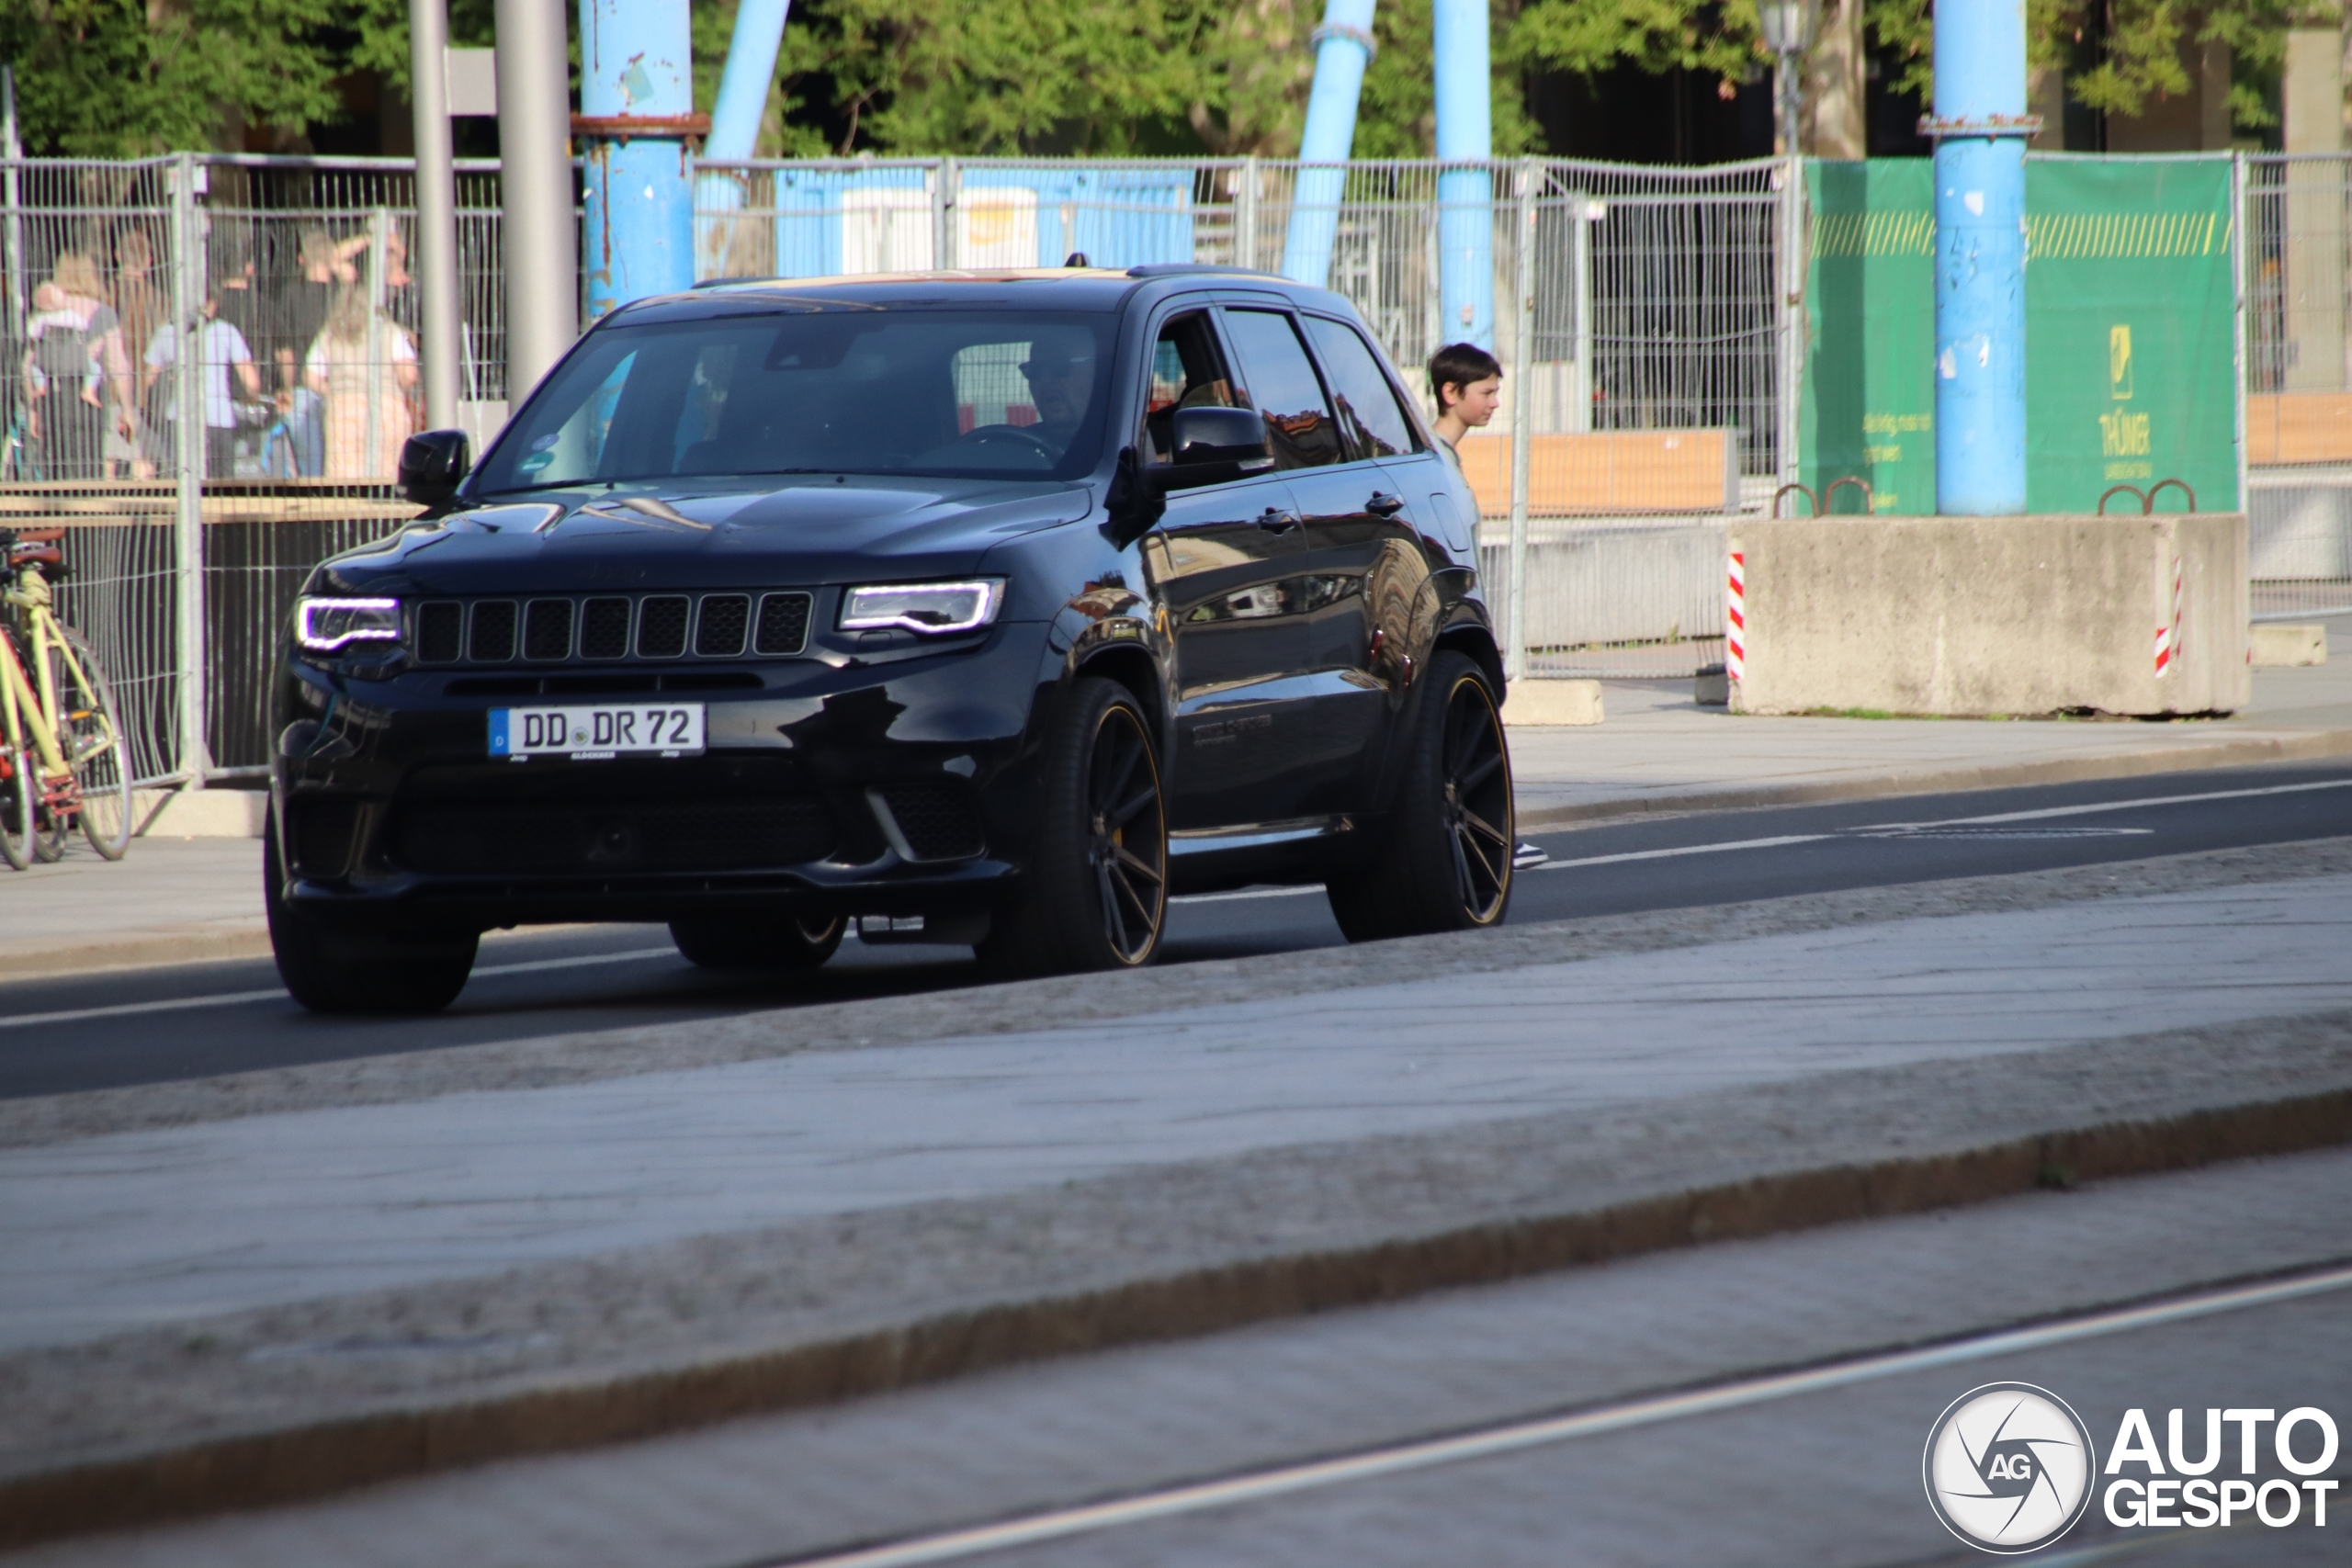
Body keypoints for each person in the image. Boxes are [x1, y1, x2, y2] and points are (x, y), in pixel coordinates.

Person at [21, 257, 133, 479]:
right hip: (88, 397)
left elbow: (28, 365)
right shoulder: (103, 312)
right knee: (87, 465)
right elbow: (117, 364)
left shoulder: (44, 312)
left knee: (55, 465)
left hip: (51, 396)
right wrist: (126, 409)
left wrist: (33, 409)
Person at [141, 277, 263, 479]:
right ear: (213, 303)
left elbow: (148, 380)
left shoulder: (166, 332)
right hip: (218, 418)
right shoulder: (226, 331)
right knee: (220, 490)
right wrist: (251, 397)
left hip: (179, 418)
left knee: (180, 481)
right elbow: (252, 382)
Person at [305, 283, 418, 479]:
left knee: (345, 477)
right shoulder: (390, 332)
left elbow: (311, 377)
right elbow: (408, 376)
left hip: (342, 413)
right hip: (387, 409)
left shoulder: (330, 335)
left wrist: (334, 391)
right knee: (387, 473)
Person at [1014, 330, 1097, 456]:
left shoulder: (1124, 447)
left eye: (1060, 367)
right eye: (1034, 371)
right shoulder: (1016, 447)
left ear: (1096, 374)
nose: (1046, 380)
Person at [1428, 341, 1502, 459]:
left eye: (1495, 393)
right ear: (1450, 393)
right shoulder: (1437, 458)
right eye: (1486, 393)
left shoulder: (1436, 452)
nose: (1495, 403)